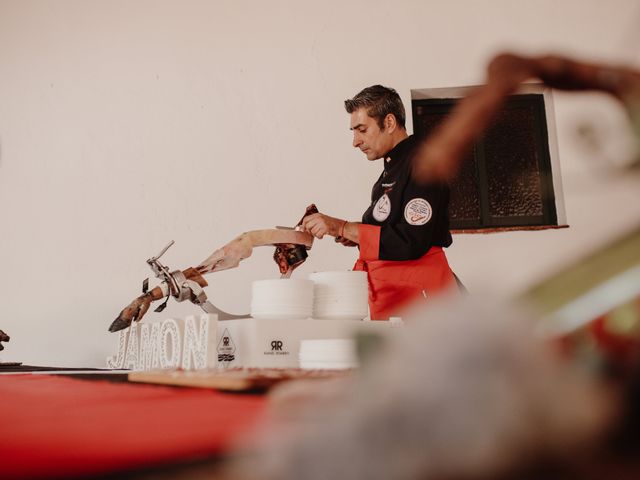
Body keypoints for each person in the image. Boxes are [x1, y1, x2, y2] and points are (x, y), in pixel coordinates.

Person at [301, 85, 457, 320]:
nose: (355, 141)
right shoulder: (390, 171)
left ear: (390, 123)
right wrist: (353, 236)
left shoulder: (423, 164)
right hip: (395, 298)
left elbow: (411, 240)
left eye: (362, 130)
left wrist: (342, 227)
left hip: (424, 302)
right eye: (353, 132)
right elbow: (389, 229)